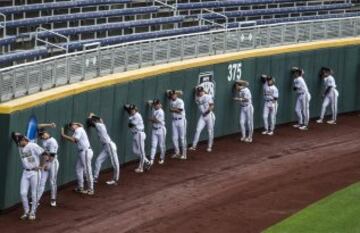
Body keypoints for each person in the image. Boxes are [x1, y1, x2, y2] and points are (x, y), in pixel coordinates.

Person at [12, 132, 43, 221]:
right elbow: (13, 135)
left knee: (34, 193)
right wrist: (17, 134)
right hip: (25, 172)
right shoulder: (20, 146)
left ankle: (33, 212)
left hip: (35, 172)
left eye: (19, 141)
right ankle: (26, 211)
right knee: (23, 193)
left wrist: (42, 165)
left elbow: (44, 154)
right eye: (17, 142)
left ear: (24, 140)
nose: (18, 144)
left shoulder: (33, 145)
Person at [61, 122, 94, 195]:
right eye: (70, 128)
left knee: (87, 170)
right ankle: (80, 187)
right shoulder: (79, 129)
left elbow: (74, 140)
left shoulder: (79, 129)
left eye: (72, 126)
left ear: (76, 125)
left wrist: (63, 135)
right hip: (83, 152)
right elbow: (74, 137)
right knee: (78, 169)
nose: (71, 128)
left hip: (85, 152)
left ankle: (90, 189)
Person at [87, 113, 120, 185]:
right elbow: (99, 120)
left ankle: (115, 179)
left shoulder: (100, 125)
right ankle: (95, 178)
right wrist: (94, 116)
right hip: (106, 147)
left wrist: (90, 116)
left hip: (109, 145)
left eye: (95, 120)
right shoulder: (101, 124)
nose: (94, 121)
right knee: (98, 161)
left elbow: (90, 122)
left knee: (115, 163)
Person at [37, 123, 59, 207]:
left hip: (53, 162)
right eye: (41, 135)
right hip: (46, 161)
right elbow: (39, 126)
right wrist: (50, 125)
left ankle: (53, 199)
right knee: (42, 181)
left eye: (42, 135)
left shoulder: (52, 141)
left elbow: (52, 156)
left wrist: (46, 164)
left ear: (47, 133)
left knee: (52, 181)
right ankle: (37, 199)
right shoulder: (44, 139)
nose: (42, 136)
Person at [124, 104, 151, 173]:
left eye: (132, 109)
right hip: (135, 134)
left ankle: (141, 168)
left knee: (141, 152)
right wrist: (128, 111)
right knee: (135, 151)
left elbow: (130, 125)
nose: (132, 111)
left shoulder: (137, 116)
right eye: (130, 110)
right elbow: (130, 124)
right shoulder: (133, 115)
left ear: (135, 109)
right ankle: (147, 162)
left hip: (139, 134)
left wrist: (129, 115)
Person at [190, 86, 215, 152]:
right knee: (198, 130)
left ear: (203, 91)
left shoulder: (207, 96)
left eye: (201, 91)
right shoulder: (197, 97)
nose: (200, 92)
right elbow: (196, 90)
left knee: (210, 132)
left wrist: (206, 112)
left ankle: (209, 147)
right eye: (199, 91)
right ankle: (194, 146)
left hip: (209, 115)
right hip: (202, 116)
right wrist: (196, 88)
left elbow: (212, 106)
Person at [168, 90, 187, 160]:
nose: (173, 96)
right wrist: (178, 91)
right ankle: (177, 152)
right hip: (174, 121)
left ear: (176, 94)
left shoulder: (180, 101)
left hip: (181, 120)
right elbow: (168, 92)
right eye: (171, 95)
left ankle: (184, 154)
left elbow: (180, 110)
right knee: (174, 138)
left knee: (182, 138)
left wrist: (173, 109)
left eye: (174, 94)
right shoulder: (171, 101)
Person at [149, 99, 167, 165]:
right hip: (154, 129)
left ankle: (162, 158)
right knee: (153, 145)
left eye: (157, 104)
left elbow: (157, 121)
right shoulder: (154, 109)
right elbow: (151, 105)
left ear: (159, 104)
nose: (156, 105)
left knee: (161, 145)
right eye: (155, 104)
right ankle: (151, 159)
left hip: (161, 129)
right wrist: (150, 103)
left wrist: (152, 119)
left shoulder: (161, 112)